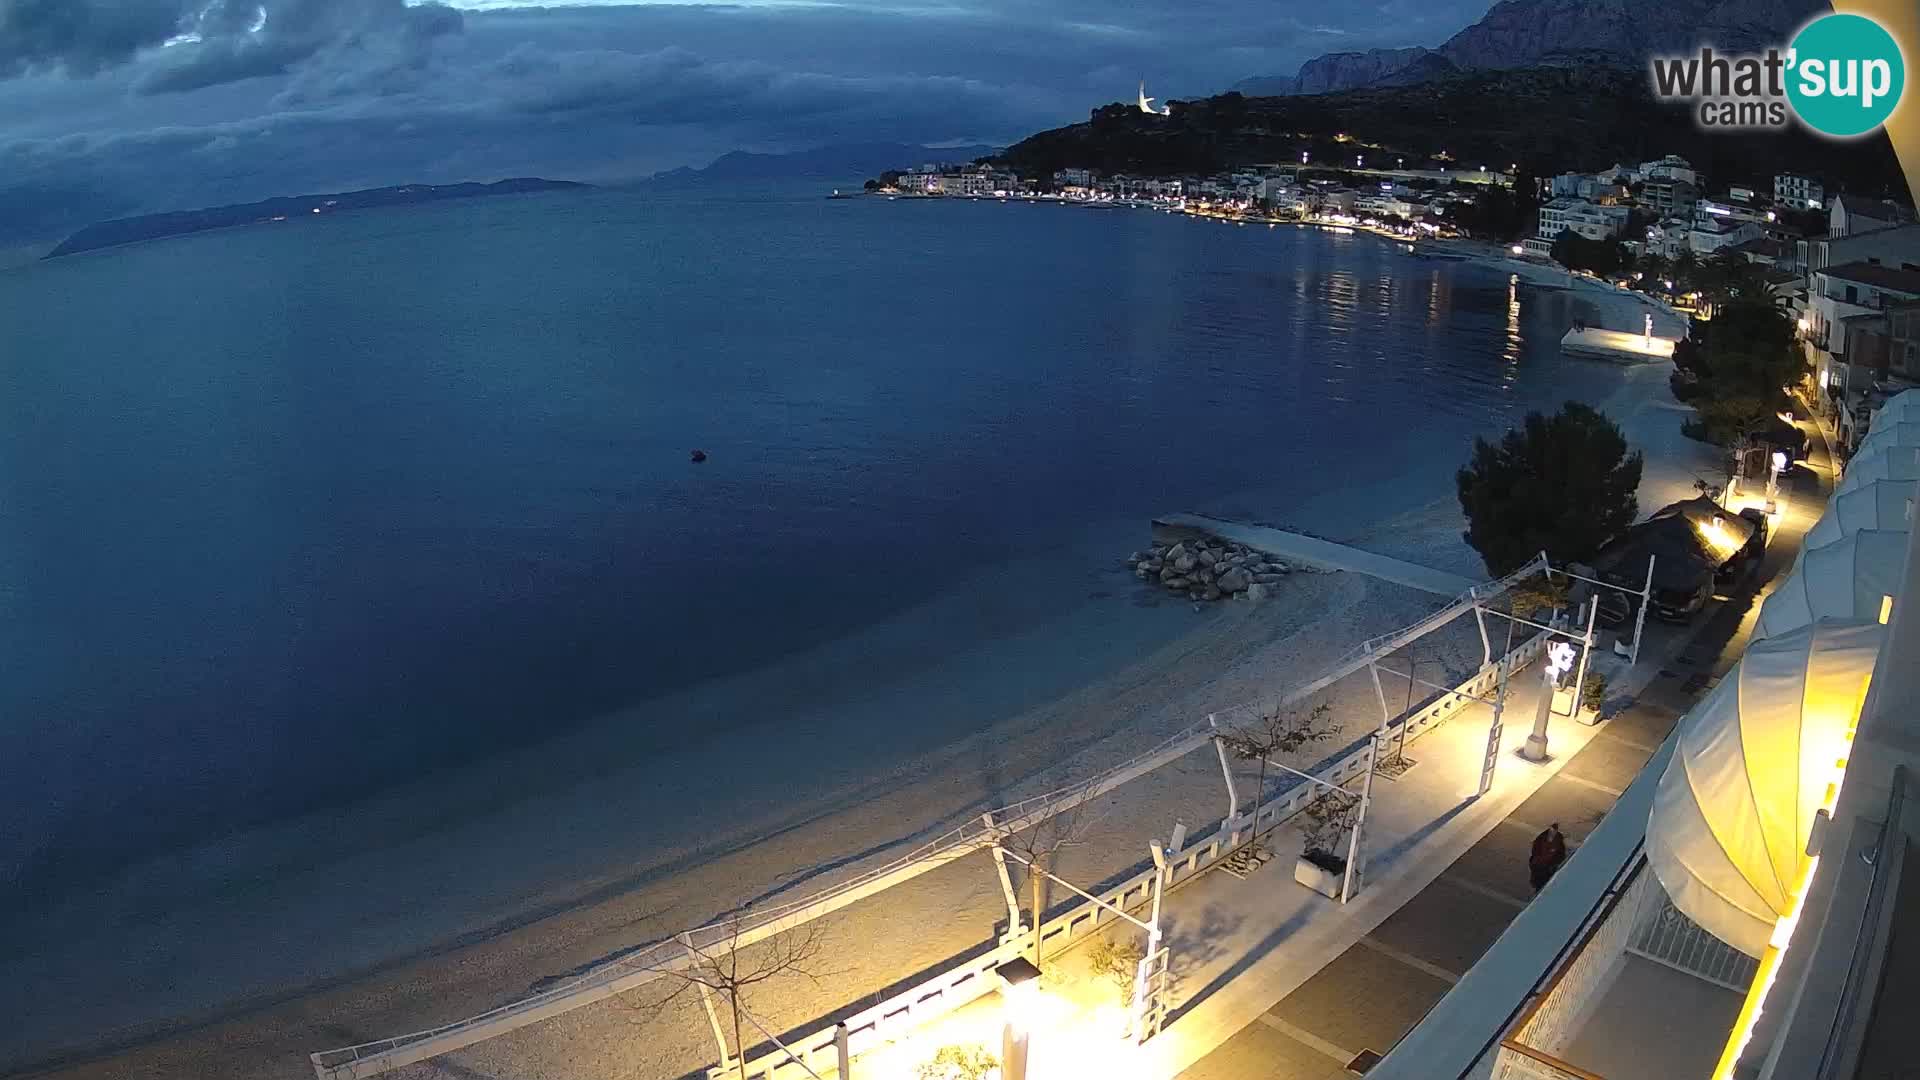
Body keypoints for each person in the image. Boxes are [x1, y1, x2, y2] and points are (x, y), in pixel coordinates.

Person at [1529, 823, 1568, 894]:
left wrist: (1555, 863)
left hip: (1547, 867)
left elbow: (1561, 854)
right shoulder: (1542, 838)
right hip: (1539, 865)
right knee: (1540, 882)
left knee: (1544, 882)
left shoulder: (1558, 840)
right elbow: (1535, 849)